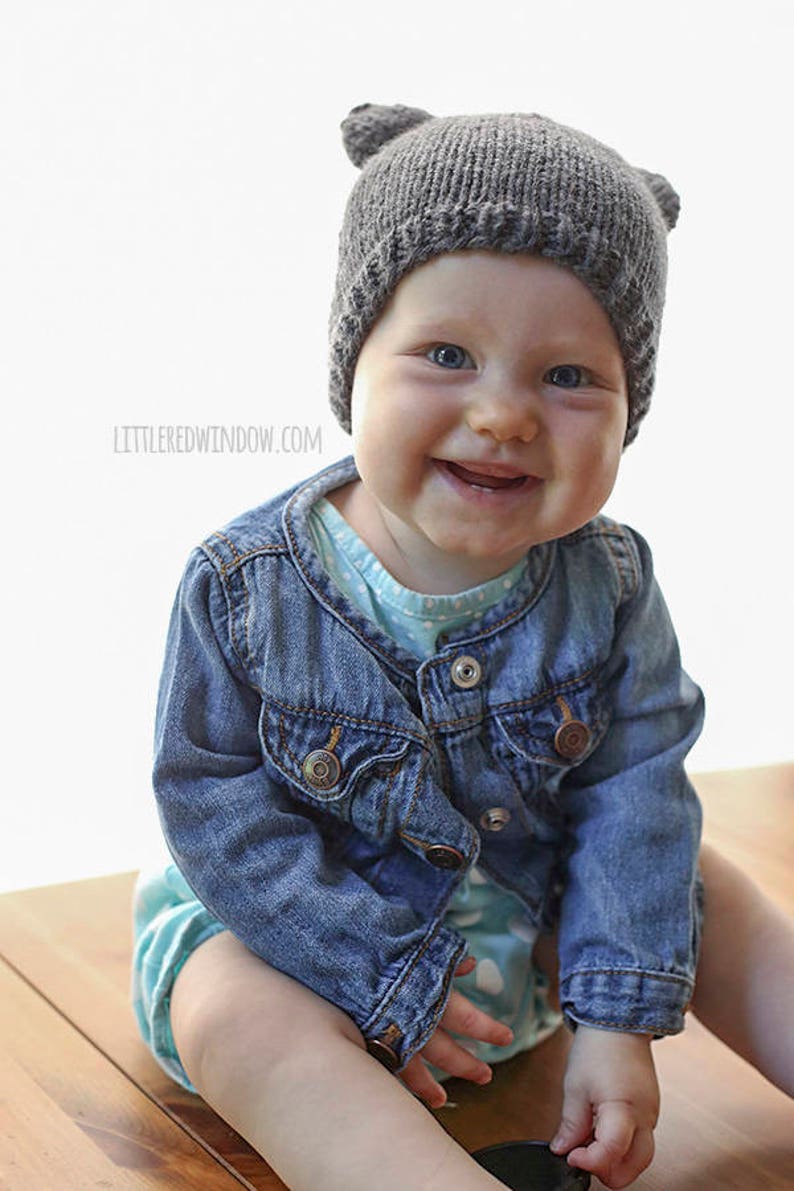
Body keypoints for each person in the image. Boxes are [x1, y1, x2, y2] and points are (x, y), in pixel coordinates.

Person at [132, 104, 794, 1190]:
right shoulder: (246, 585)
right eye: (446, 354)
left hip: (526, 919)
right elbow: (214, 806)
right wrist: (373, 965)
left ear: (630, 408)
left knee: (687, 871)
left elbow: (635, 793)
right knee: (238, 1013)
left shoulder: (608, 583)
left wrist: (618, 1015)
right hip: (304, 935)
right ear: (354, 365)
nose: (502, 414)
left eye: (568, 376)